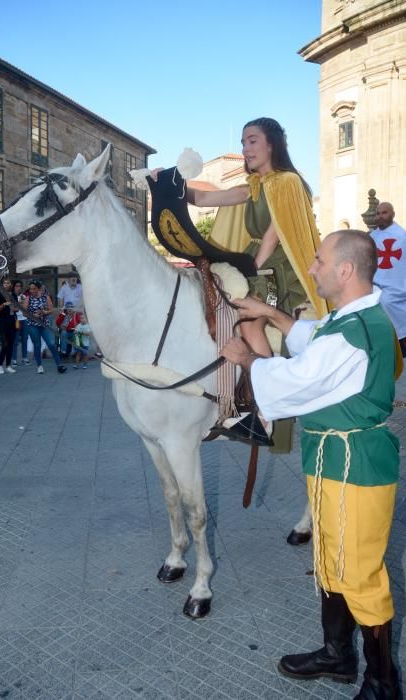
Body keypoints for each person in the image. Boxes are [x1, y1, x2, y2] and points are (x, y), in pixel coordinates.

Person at [222, 230, 401, 700]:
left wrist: (246, 360)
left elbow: (299, 378)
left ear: (345, 270)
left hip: (355, 466)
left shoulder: (358, 330)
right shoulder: (350, 320)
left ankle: (383, 682)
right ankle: (337, 654)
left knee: (359, 572)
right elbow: (314, 340)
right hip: (334, 460)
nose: (313, 267)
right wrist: (271, 314)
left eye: (319, 261)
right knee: (330, 560)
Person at [186, 117, 328, 357]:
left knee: (250, 323)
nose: (245, 149)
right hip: (254, 258)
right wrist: (170, 187)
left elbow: (274, 236)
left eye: (252, 141)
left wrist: (252, 270)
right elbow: (203, 200)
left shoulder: (289, 182)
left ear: (272, 144)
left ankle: (264, 385)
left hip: (278, 265)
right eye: (243, 143)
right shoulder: (253, 186)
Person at [370, 202, 406, 356]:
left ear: (392, 214)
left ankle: (402, 344)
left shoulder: (402, 236)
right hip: (375, 283)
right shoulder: (372, 237)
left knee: (388, 301)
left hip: (397, 285)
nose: (380, 217)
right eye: (378, 214)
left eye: (384, 213)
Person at [21, 280, 67, 374]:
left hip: (44, 324)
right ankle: (39, 366)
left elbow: (51, 310)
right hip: (33, 325)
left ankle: (59, 365)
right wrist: (33, 315)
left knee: (51, 344)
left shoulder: (45, 298)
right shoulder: (28, 299)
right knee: (37, 345)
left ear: (38, 289)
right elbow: (24, 313)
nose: (32, 290)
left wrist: (44, 312)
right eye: (30, 289)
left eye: (34, 288)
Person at [0, 278, 17, 375]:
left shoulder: (13, 295)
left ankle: (8, 365)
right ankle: (0, 365)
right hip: (3, 322)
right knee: (5, 344)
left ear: (11, 285)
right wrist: (4, 304)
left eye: (8, 283)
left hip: (12, 321)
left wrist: (13, 307)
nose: (6, 284)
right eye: (4, 283)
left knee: (11, 345)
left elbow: (17, 309)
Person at [11, 280, 30, 366]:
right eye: (17, 286)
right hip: (16, 320)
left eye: (20, 286)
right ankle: (14, 359)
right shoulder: (11, 296)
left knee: (24, 340)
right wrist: (19, 304)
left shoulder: (23, 296)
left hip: (24, 319)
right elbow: (12, 309)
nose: (18, 288)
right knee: (15, 341)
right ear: (13, 287)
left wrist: (17, 304)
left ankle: (24, 358)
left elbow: (25, 308)